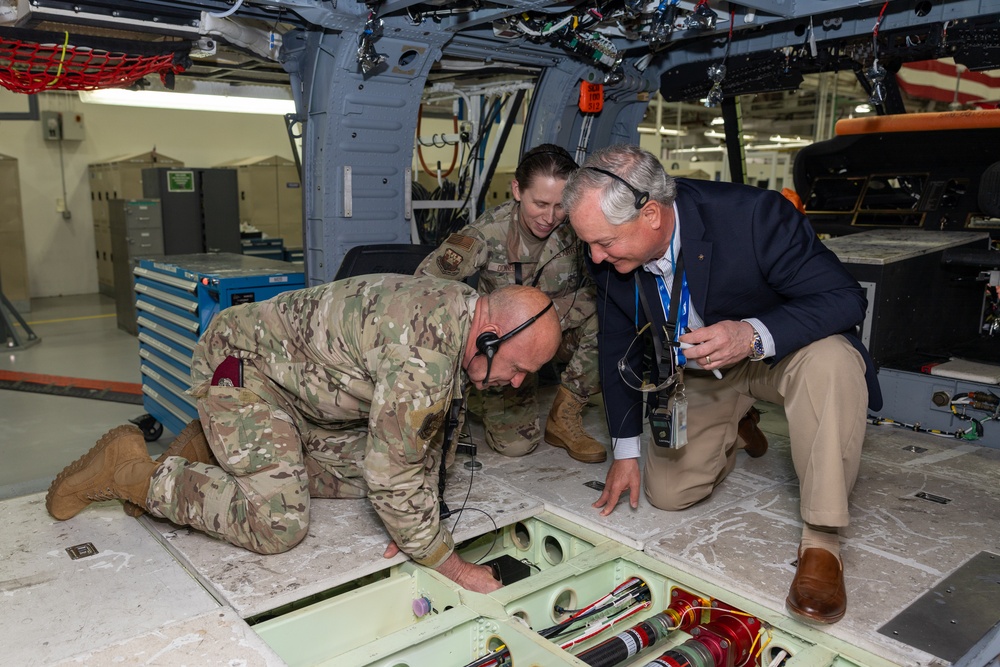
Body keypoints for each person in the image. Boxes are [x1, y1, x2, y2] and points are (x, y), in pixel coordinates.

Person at [45, 275, 561, 594]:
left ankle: (224, 448)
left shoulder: (462, 309)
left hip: (297, 391)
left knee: (384, 476)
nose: (515, 383)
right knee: (278, 524)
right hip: (240, 371)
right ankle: (131, 471)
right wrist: (445, 562)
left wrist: (416, 528)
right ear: (491, 336)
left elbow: (425, 439)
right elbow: (395, 474)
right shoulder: (421, 354)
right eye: (516, 368)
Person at [561, 144, 881, 625]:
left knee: (833, 359)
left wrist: (751, 334)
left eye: (604, 242)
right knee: (669, 495)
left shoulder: (753, 215)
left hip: (778, 355)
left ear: (651, 213)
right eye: (588, 243)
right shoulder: (609, 255)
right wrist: (625, 450)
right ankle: (738, 420)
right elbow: (615, 343)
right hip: (697, 370)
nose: (596, 257)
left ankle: (822, 540)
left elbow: (844, 298)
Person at [416, 143, 606, 463]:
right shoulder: (487, 233)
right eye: (541, 203)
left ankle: (566, 413)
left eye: (560, 205)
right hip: (503, 350)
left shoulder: (579, 229)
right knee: (516, 446)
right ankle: (475, 392)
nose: (550, 217)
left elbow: (601, 288)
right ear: (517, 190)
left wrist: (543, 314)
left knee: (608, 316)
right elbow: (424, 290)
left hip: (556, 336)